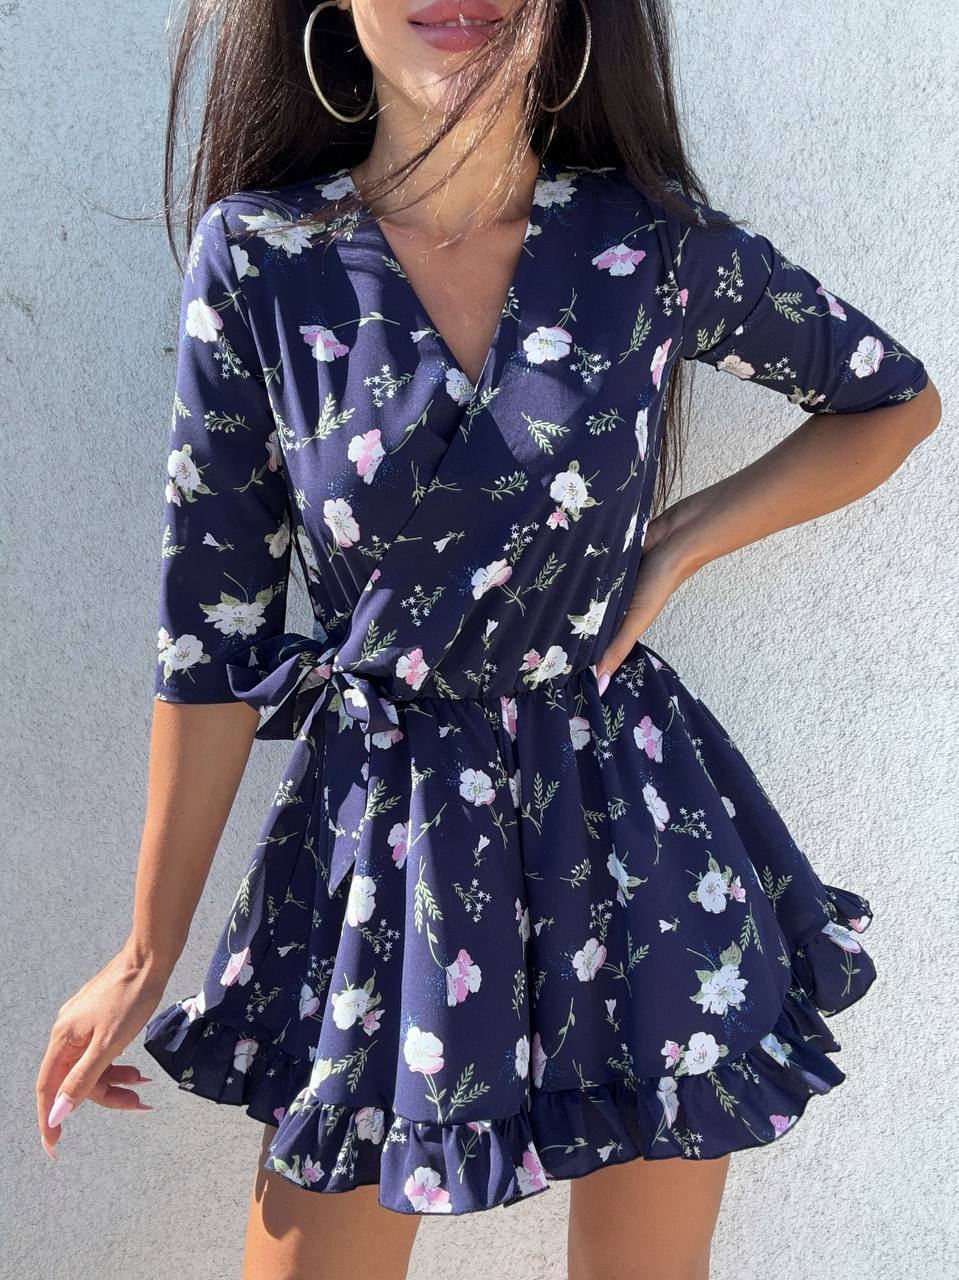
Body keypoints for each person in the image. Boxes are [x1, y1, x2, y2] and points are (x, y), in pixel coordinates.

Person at [36, 2, 941, 1278]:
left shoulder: (645, 243)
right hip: (388, 845)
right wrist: (145, 947)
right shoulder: (263, 260)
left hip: (626, 831)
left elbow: (891, 399)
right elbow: (211, 638)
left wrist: (681, 537)